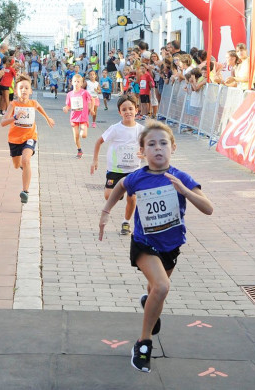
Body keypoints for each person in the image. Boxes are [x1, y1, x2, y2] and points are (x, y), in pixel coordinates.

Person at [98, 121, 213, 372]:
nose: (157, 148)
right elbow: (120, 186)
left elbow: (208, 209)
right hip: (144, 243)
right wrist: (106, 211)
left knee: (155, 290)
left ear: (173, 147)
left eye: (163, 143)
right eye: (151, 144)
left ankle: (148, 301)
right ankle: (143, 342)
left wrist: (184, 190)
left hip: (170, 246)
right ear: (142, 151)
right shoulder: (138, 177)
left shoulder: (180, 177)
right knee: (162, 287)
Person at [91, 95, 144, 235]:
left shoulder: (141, 130)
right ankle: (118, 192)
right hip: (115, 168)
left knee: (132, 198)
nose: (128, 112)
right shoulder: (115, 128)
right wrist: (95, 160)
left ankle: (126, 222)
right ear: (120, 112)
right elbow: (98, 142)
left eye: (131, 109)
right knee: (108, 195)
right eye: (124, 109)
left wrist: (144, 155)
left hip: (133, 169)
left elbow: (148, 146)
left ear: (136, 110)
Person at [1, 75, 55, 203]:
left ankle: (25, 192)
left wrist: (48, 119)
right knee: (17, 165)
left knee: (26, 160)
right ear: (16, 91)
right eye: (21, 88)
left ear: (31, 91)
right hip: (14, 139)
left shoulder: (33, 103)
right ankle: (23, 168)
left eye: (26, 88)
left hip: (30, 137)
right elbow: (3, 123)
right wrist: (14, 117)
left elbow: (40, 109)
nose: (24, 90)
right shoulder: (13, 104)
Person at [63, 74, 94, 158]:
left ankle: (83, 130)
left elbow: (92, 99)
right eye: (75, 81)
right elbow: (68, 105)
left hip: (83, 117)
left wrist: (91, 109)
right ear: (72, 82)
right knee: (76, 136)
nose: (76, 83)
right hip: (74, 117)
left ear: (81, 83)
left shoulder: (84, 92)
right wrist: (66, 108)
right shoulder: (69, 94)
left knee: (83, 135)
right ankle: (79, 150)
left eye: (78, 82)